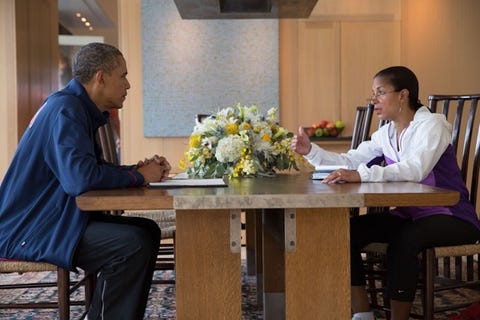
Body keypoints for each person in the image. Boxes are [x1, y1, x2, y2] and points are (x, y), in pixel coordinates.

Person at [291, 66, 480, 320]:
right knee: (346, 232)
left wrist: (363, 174)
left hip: (453, 216)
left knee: (405, 239)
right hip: (410, 214)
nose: (374, 101)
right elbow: (350, 159)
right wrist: (311, 151)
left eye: (380, 93)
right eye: (373, 94)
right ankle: (362, 314)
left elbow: (415, 168)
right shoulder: (386, 133)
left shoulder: (433, 125)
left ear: (403, 95)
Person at [0, 42, 171, 319]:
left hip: (53, 219)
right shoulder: (67, 109)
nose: (128, 85)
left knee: (147, 231)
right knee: (133, 243)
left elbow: (87, 169)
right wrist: (139, 176)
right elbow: (79, 180)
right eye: (123, 76)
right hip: (28, 228)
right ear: (100, 77)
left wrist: (137, 169)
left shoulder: (72, 105)